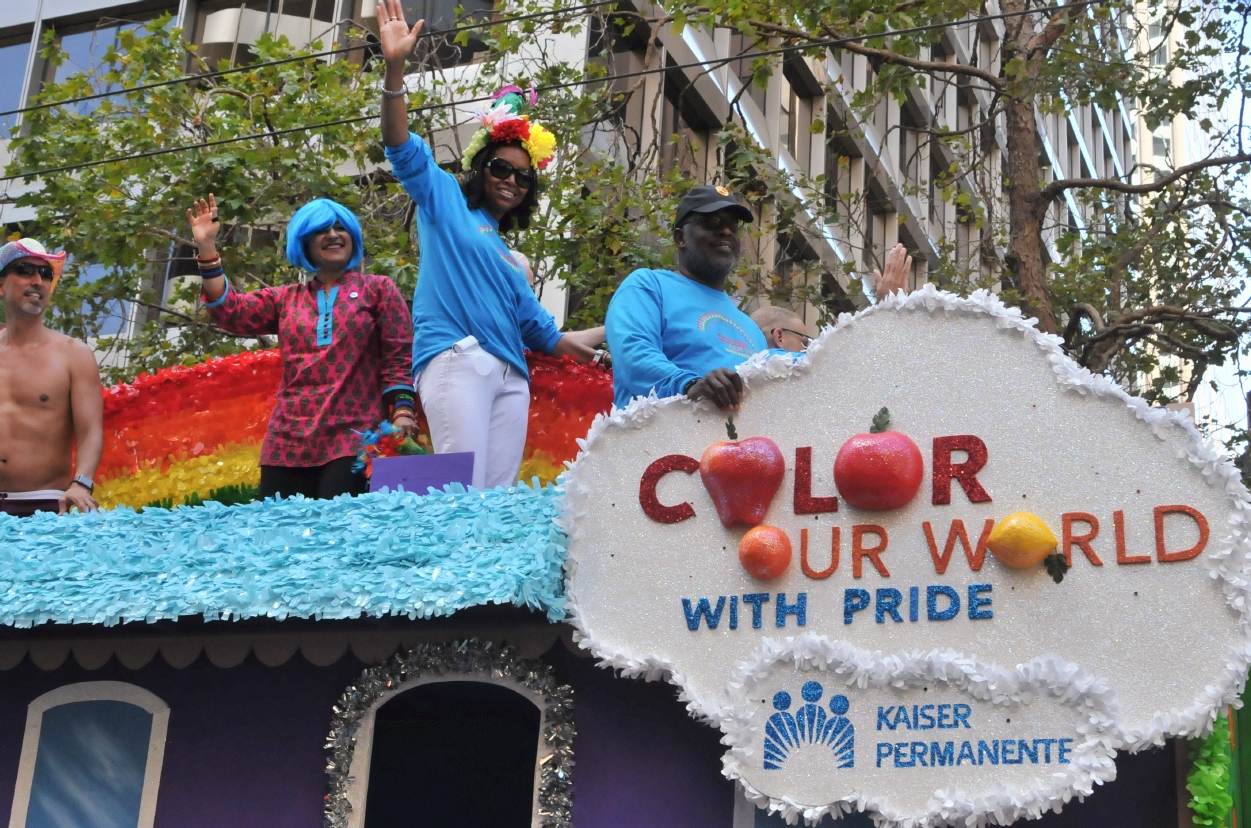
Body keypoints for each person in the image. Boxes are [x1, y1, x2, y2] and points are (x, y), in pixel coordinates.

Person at [378, 0, 598, 490]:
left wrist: (623, 325)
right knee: (459, 498)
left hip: (511, 378)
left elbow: (548, 336)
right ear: (481, 170)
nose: (512, 181)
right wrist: (396, 67)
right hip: (458, 359)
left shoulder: (508, 256)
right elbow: (398, 144)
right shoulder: (446, 202)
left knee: (494, 508)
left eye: (523, 177)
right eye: (501, 168)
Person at [188, 194, 416, 500]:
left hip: (354, 438)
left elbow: (399, 355)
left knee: (338, 537)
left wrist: (403, 412)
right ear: (304, 242)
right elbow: (229, 310)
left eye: (340, 228)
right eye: (322, 230)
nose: (333, 235)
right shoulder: (285, 299)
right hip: (286, 443)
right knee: (281, 541)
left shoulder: (378, 289)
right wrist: (207, 246)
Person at [606, 185, 913, 411]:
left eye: (732, 226)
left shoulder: (749, 326)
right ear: (679, 237)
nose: (726, 231)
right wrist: (690, 385)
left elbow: (815, 367)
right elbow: (634, 354)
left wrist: (887, 314)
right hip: (655, 458)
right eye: (712, 223)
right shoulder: (648, 286)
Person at [0, 239, 102, 515]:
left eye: (46, 274)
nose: (38, 280)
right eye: (25, 270)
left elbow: (91, 431)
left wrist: (81, 483)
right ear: (1, 286)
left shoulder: (73, 355)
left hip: (45, 506)